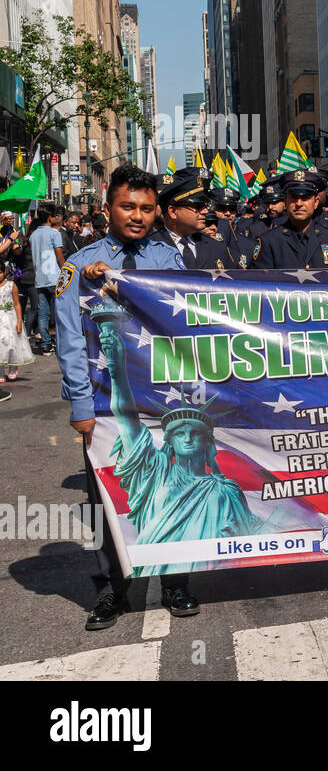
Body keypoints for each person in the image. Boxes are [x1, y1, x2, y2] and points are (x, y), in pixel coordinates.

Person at [54, 165, 200, 629]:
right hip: (105, 401)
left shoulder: (169, 259)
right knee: (107, 496)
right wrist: (80, 406)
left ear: (157, 211)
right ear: (108, 208)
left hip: (165, 397)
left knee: (176, 486)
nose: (137, 216)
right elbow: (70, 340)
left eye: (146, 208)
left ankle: (177, 580)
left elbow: (187, 320)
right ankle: (111, 592)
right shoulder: (79, 265)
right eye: (127, 207)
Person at [148, 168, 244, 270]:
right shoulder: (148, 248)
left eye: (205, 206)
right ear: (173, 212)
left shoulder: (217, 247)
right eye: (197, 206)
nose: (205, 211)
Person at [252, 170, 328, 269]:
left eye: (305, 197)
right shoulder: (269, 241)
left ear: (316, 202)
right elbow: (260, 282)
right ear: (285, 201)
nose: (299, 203)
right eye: (293, 197)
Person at [28, 203, 65, 355]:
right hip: (55, 277)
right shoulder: (54, 234)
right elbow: (59, 256)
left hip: (40, 278)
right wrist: (66, 272)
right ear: (50, 217)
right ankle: (61, 342)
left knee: (43, 313)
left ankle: (46, 344)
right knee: (60, 312)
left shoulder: (33, 235)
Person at [0, 261, 34, 383]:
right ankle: (0, 370)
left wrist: (19, 321)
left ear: (4, 272)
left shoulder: (11, 285)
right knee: (1, 344)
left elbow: (17, 304)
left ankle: (13, 367)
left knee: (11, 344)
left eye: (0, 272)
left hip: (10, 318)